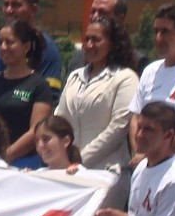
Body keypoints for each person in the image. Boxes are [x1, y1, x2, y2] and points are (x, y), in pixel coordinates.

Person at [56, 17, 139, 171]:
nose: (89, 44)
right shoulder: (75, 76)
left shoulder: (125, 78)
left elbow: (118, 128)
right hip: (68, 168)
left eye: (96, 40)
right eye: (86, 39)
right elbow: (59, 119)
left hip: (108, 170)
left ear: (113, 44)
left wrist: (81, 160)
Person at [0, 20, 58, 167]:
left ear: (26, 46)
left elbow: (37, 129)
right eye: (0, 42)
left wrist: (6, 155)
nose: (3, 47)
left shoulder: (38, 86)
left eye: (9, 42)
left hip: (23, 164)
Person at [67, 0, 143, 72]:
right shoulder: (79, 59)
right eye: (93, 11)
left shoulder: (136, 62)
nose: (95, 16)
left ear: (120, 18)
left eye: (103, 12)